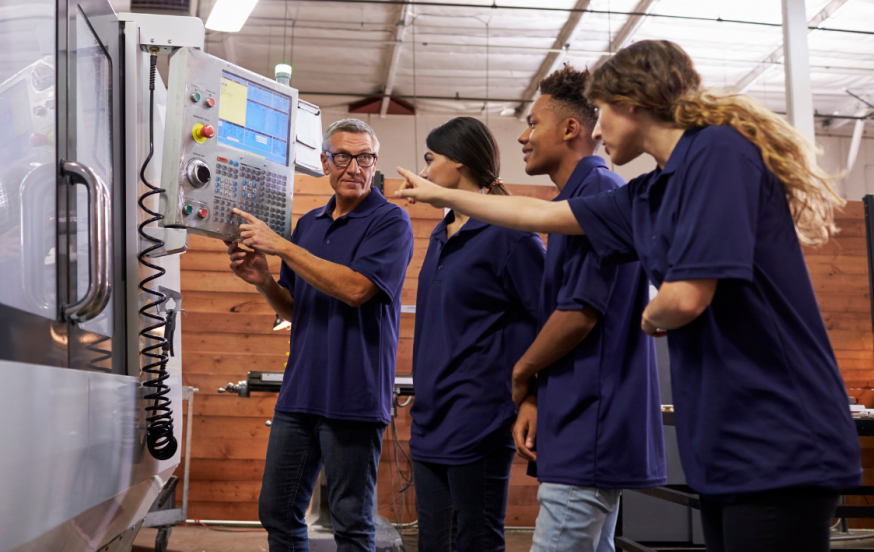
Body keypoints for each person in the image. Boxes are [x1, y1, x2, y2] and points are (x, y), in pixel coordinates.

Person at [395, 40, 862, 552]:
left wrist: (649, 314)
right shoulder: (646, 193)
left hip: (778, 432)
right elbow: (541, 217)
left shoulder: (718, 150)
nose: (596, 130)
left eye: (605, 113)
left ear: (633, 102)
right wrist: (440, 194)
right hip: (722, 438)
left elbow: (684, 298)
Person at [228, 118, 415, 552]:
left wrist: (283, 247)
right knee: (277, 512)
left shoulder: (391, 222)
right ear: (324, 162)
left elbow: (356, 289)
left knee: (350, 522)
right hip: (300, 394)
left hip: (354, 396)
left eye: (365, 157)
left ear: (374, 163)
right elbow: (295, 307)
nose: (355, 167)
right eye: (344, 156)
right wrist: (263, 281)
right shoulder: (309, 224)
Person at [507, 66, 665, 552]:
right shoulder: (577, 197)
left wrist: (522, 372)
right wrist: (536, 395)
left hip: (591, 422)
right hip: (576, 417)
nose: (523, 136)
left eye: (533, 123)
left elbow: (580, 313)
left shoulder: (598, 193)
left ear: (570, 128)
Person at [408, 117, 545, 552]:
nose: (426, 172)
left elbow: (551, 322)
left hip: (481, 419)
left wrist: (533, 397)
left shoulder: (511, 236)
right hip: (430, 419)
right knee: (433, 542)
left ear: (460, 162)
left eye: (431, 160)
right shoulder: (440, 234)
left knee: (476, 541)